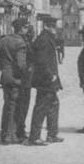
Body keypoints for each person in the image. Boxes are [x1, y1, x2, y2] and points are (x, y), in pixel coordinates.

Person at [27, 16, 63, 146]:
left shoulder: (47, 38)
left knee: (53, 104)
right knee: (41, 107)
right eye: (53, 26)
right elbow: (41, 61)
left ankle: (52, 134)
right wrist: (50, 75)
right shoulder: (44, 40)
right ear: (47, 26)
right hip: (45, 80)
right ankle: (34, 137)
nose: (56, 29)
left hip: (49, 80)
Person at [0, 19, 28, 145]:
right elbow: (21, 65)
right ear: (21, 29)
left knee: (7, 105)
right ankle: (11, 135)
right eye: (25, 27)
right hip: (15, 78)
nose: (27, 30)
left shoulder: (3, 40)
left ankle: (5, 133)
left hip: (5, 76)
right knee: (14, 106)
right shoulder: (20, 43)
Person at [15, 24, 35, 142]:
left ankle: (17, 129)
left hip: (17, 78)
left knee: (17, 105)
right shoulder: (24, 44)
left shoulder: (18, 41)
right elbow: (23, 63)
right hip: (24, 79)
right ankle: (20, 131)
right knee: (23, 105)